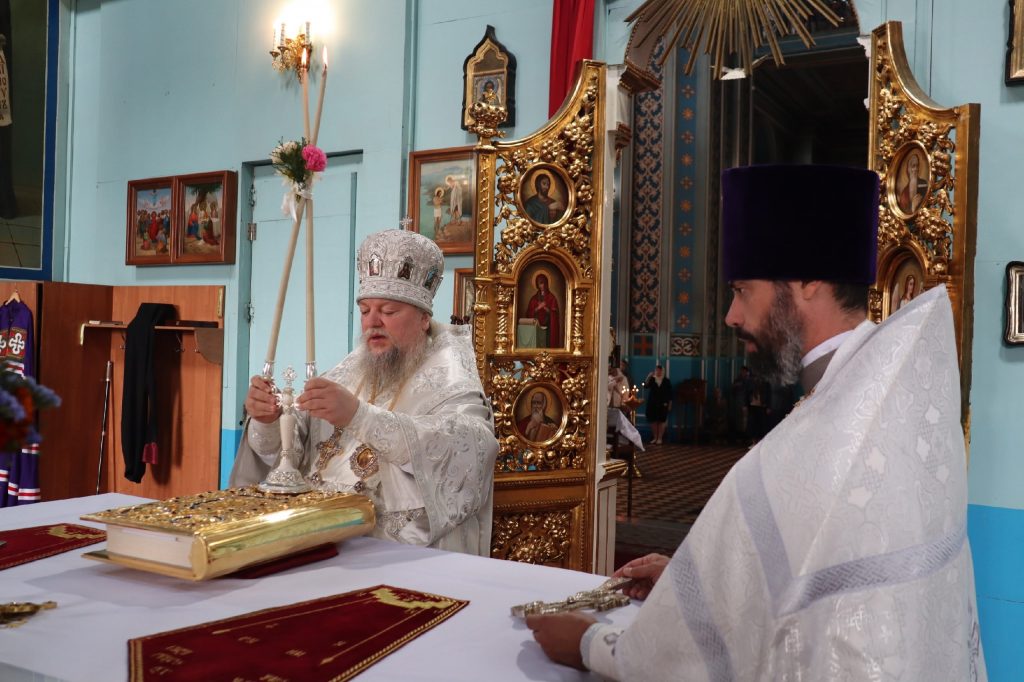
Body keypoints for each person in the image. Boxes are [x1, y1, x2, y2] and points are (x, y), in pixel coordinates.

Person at [525, 165, 985, 680]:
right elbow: (817, 581)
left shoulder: (825, 439)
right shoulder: (890, 403)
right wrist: (695, 585)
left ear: (808, 281)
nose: (731, 316)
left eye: (743, 290)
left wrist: (590, 643)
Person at [230, 229, 499, 556]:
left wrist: (360, 417)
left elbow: (471, 448)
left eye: (388, 311)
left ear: (424, 319)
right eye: (365, 311)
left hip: (390, 551)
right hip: (312, 537)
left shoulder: (450, 377)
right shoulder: (350, 371)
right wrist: (268, 420)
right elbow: (285, 453)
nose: (373, 322)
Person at [524, 273, 560, 347]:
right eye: (539, 284)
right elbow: (528, 313)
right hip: (535, 328)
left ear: (546, 283)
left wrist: (545, 308)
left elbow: (555, 314)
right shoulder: (534, 298)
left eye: (542, 283)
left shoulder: (552, 298)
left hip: (548, 327)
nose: (541, 286)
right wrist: (538, 308)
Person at [643, 365, 672, 445]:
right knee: (653, 421)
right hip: (652, 403)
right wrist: (649, 377)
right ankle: (655, 437)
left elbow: (670, 393)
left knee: (661, 420)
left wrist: (670, 404)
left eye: (660, 370)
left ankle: (660, 438)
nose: (658, 372)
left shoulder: (666, 381)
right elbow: (645, 386)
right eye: (657, 370)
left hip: (663, 403)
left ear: (662, 371)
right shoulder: (652, 379)